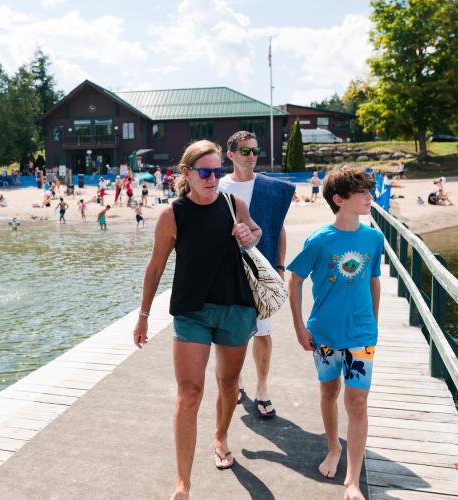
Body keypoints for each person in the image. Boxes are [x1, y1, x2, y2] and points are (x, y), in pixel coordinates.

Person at [132, 140, 261, 500]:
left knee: (228, 384)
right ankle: (183, 484)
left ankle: (220, 437)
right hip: (192, 311)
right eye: (205, 172)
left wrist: (249, 234)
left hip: (236, 305)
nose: (213, 178)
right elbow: (155, 266)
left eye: (217, 171)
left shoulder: (233, 203)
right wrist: (143, 316)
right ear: (186, 174)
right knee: (189, 393)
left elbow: (256, 234)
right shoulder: (172, 214)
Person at [286, 165, 384, 500]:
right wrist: (299, 325)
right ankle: (333, 448)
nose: (370, 196)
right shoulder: (319, 241)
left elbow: (373, 280)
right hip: (324, 335)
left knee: (357, 402)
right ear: (339, 199)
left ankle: (353, 480)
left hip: (361, 336)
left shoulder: (374, 237)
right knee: (329, 392)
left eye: (370, 191)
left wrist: (373, 322)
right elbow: (295, 279)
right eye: (363, 192)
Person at [218, 130, 295, 419]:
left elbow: (278, 229)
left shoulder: (269, 188)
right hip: (227, 271)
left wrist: (280, 267)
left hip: (261, 270)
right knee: (230, 333)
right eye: (245, 151)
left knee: (262, 331)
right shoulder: (219, 186)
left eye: (255, 151)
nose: (252, 156)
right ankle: (235, 382)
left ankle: (262, 388)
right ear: (231, 154)